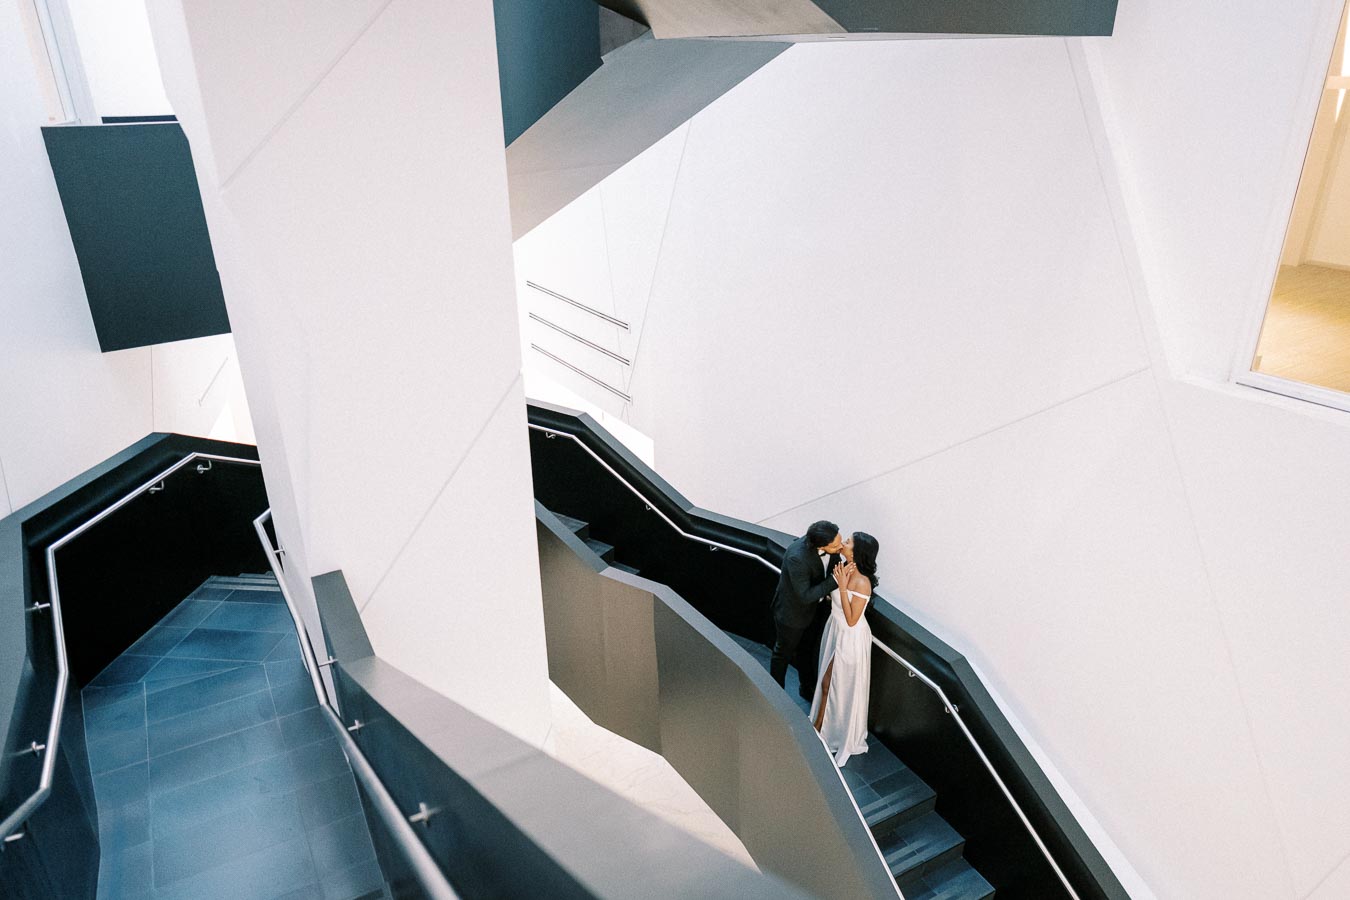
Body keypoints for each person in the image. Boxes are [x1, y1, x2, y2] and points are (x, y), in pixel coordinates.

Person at [809, 532, 880, 767]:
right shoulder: (843, 567)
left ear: (857, 552)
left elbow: (852, 620)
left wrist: (840, 587)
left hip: (850, 638)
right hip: (835, 631)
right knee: (827, 682)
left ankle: (822, 731)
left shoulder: (862, 582)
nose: (844, 544)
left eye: (848, 542)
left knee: (835, 684)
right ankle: (820, 727)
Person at [770, 520, 843, 701]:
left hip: (815, 612)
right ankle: (775, 696)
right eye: (836, 546)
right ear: (820, 544)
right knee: (782, 654)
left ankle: (806, 688)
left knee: (807, 650)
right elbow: (805, 595)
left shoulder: (831, 548)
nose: (840, 547)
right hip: (792, 615)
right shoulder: (797, 557)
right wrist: (835, 580)